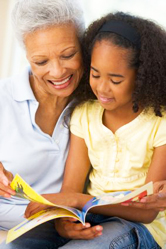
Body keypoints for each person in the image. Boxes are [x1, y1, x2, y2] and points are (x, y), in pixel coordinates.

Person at [25, 12, 166, 249]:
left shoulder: (159, 123)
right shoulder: (85, 114)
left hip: (137, 228)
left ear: (141, 77)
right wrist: (63, 221)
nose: (102, 87)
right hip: (87, 215)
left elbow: (147, 212)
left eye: (116, 80)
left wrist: (78, 201)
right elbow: (70, 188)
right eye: (95, 73)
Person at [0, 0, 103, 248]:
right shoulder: (4, 97)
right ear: (26, 56)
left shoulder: (98, 101)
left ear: (84, 47)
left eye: (68, 55)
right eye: (41, 62)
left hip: (52, 224)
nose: (57, 72)